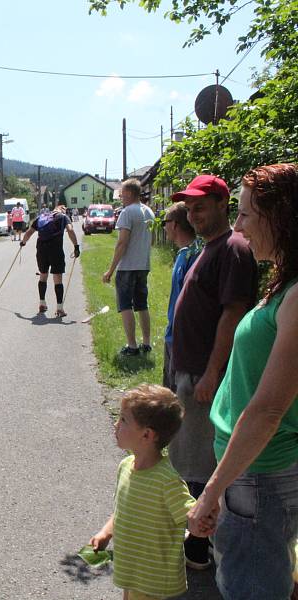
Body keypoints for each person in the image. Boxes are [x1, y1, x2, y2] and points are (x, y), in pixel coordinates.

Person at [187, 163, 298, 599]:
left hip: (261, 477)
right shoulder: (283, 283)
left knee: (249, 587)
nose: (238, 225)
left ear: (282, 215)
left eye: (247, 214)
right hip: (251, 473)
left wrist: (211, 492)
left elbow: (268, 409)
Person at [168, 174, 259, 570]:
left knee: (205, 464)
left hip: (207, 376)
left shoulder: (234, 249)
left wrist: (211, 373)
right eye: (189, 208)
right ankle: (200, 538)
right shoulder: (209, 247)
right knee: (190, 458)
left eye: (200, 206)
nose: (193, 214)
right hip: (188, 369)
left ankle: (206, 547)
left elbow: (232, 313)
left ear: (223, 203)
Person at [90, 384, 199, 600]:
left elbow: (193, 513)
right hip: (132, 571)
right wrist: (106, 532)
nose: (115, 424)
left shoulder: (166, 480)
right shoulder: (125, 466)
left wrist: (201, 522)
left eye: (123, 420)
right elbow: (123, 509)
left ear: (147, 435)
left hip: (154, 581)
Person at [102, 179, 155, 356]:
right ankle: (146, 343)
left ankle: (132, 346)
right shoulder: (149, 211)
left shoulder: (127, 212)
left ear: (130, 193)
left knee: (126, 305)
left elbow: (122, 243)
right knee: (142, 305)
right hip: (143, 265)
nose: (121, 198)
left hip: (127, 267)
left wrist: (110, 270)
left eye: (122, 194)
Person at [162, 202, 201, 390]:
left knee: (177, 396)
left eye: (165, 222)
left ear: (174, 224)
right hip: (172, 335)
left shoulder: (193, 256)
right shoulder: (183, 254)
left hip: (181, 340)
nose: (164, 227)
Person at [20, 204, 80, 317]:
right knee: (57, 277)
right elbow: (70, 230)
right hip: (55, 249)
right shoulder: (63, 217)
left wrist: (23, 242)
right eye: (65, 209)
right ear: (61, 209)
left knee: (43, 275)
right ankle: (60, 308)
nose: (65, 211)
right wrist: (76, 246)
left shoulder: (41, 217)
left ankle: (42, 303)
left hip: (41, 249)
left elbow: (29, 232)